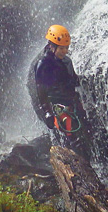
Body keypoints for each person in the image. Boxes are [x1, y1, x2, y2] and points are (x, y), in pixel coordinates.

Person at [34, 25, 89, 156]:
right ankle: (75, 167)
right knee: (73, 139)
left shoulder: (67, 61)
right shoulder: (44, 65)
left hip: (72, 102)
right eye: (61, 48)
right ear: (52, 46)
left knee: (85, 132)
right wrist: (47, 112)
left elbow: (74, 80)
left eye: (66, 48)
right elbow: (41, 92)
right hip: (58, 106)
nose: (64, 51)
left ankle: (84, 163)